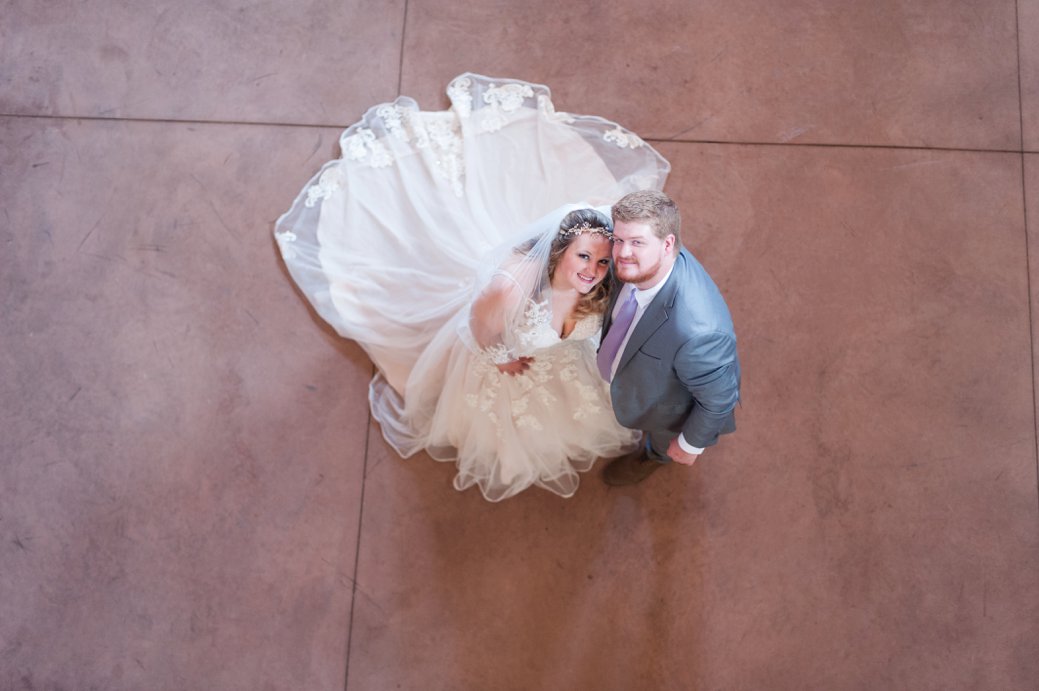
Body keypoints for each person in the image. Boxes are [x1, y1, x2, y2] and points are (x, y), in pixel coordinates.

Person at [273, 73, 670, 500]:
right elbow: (481, 329)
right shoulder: (509, 288)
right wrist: (503, 360)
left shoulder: (605, 280)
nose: (593, 271)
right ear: (558, 250)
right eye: (583, 257)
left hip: (562, 356)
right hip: (507, 356)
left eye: (603, 261)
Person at [597, 190, 741, 485]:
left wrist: (689, 445)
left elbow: (719, 399)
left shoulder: (699, 332)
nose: (622, 254)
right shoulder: (645, 265)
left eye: (637, 242)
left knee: (665, 442)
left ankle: (653, 456)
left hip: (668, 410)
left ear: (667, 244)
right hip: (641, 378)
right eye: (619, 239)